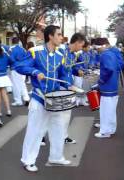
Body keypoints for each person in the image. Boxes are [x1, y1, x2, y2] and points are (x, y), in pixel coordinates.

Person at [16, 25, 80, 172]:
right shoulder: (35, 52)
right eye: (58, 34)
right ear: (50, 36)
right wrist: (34, 71)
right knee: (35, 130)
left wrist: (69, 84)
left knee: (58, 128)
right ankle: (28, 160)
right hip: (39, 97)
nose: (61, 37)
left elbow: (63, 73)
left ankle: (56, 156)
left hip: (55, 98)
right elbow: (19, 66)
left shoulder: (60, 54)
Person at [93, 38, 124, 138]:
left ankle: (105, 131)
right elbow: (119, 65)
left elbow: (109, 69)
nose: (96, 50)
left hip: (107, 87)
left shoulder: (105, 54)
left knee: (106, 110)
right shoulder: (112, 53)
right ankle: (110, 128)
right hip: (113, 85)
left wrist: (101, 80)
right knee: (111, 109)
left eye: (96, 48)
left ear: (101, 46)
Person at [58, 33, 86, 144]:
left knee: (66, 113)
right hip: (60, 86)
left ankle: (64, 136)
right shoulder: (61, 51)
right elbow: (57, 70)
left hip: (69, 86)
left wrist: (77, 71)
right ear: (76, 42)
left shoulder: (73, 55)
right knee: (55, 114)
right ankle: (40, 137)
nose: (81, 48)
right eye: (81, 45)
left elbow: (71, 68)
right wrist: (67, 85)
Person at [9, 37, 30, 106]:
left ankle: (18, 100)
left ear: (12, 42)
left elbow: (11, 58)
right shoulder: (23, 49)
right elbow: (26, 58)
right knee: (22, 84)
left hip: (15, 68)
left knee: (16, 85)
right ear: (18, 42)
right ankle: (26, 98)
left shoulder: (11, 49)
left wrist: (15, 63)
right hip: (23, 68)